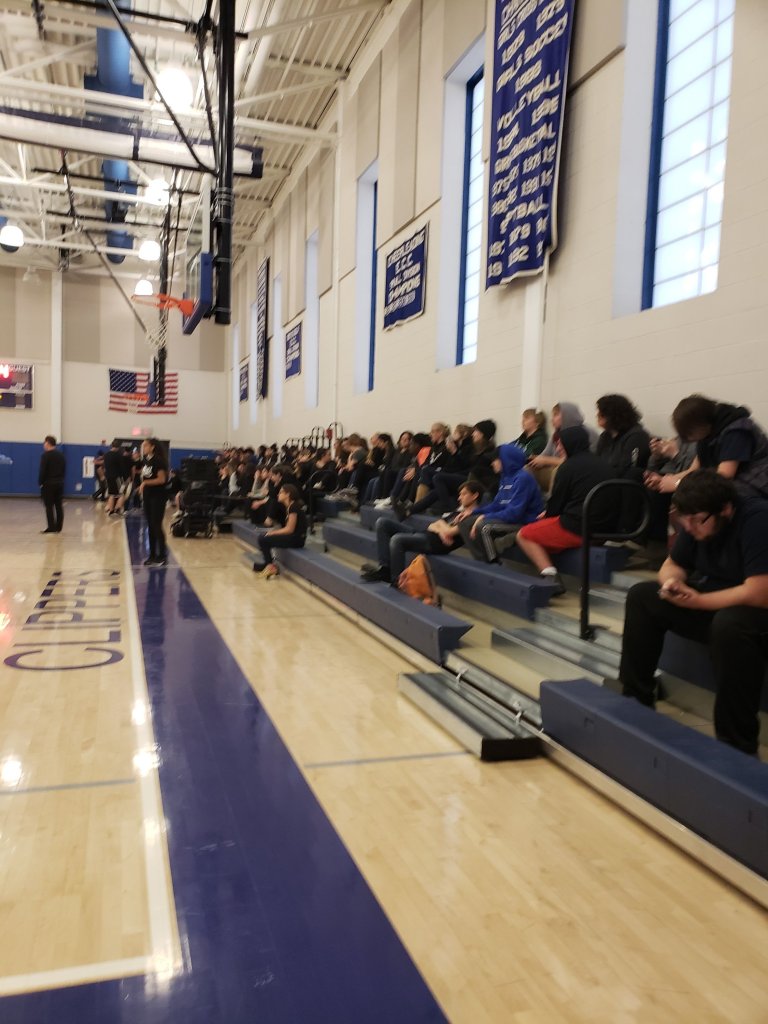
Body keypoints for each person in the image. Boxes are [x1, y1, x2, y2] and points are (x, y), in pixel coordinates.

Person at [618, 470, 768, 755]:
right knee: (643, 596)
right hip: (716, 601)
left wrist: (699, 601)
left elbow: (759, 593)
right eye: (683, 520)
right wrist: (672, 583)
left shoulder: (757, 519)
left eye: (697, 520)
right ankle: (636, 703)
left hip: (755, 610)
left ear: (725, 509)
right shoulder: (695, 520)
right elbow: (672, 565)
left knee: (730, 624)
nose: (690, 527)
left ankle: (737, 744)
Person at [516, 425, 617, 595]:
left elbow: (556, 504)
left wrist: (546, 516)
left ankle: (550, 577)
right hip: (606, 530)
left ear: (571, 443)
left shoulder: (567, 467)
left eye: (560, 444)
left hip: (578, 528)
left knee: (524, 535)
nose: (558, 449)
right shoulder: (604, 464)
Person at [361, 479, 483, 583]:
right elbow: (433, 525)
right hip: (424, 534)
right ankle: (385, 569)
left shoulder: (473, 518)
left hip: (433, 544)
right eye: (460, 494)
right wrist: (441, 529)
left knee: (397, 540)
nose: (459, 498)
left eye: (464, 494)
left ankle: (397, 580)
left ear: (475, 496)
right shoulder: (458, 512)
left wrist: (442, 528)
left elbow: (449, 532)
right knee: (382, 522)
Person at [653, 395, 768, 498]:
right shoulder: (707, 434)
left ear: (699, 425)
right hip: (737, 482)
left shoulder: (736, 431)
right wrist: (665, 480)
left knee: (700, 498)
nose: (688, 439)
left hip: (757, 484)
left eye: (689, 434)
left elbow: (724, 477)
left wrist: (677, 484)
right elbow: (694, 470)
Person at [456, 442, 544, 561]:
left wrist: (485, 516)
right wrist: (474, 512)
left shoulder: (523, 478)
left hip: (525, 521)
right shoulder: (505, 477)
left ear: (505, 460)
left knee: (484, 526)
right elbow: (497, 505)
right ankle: (481, 561)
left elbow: (514, 514)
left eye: (495, 460)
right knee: (464, 521)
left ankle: (492, 564)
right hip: (510, 518)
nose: (492, 463)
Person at [254, 483, 307, 579]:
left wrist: (272, 533)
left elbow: (290, 529)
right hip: (293, 537)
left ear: (288, 494)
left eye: (281, 492)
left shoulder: (293, 507)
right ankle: (268, 564)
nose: (278, 494)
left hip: (297, 539)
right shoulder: (290, 506)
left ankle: (270, 566)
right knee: (264, 537)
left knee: (263, 538)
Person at [139, 438, 169, 566]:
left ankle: (162, 556)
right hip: (148, 496)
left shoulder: (159, 461)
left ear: (152, 447)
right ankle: (152, 555)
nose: (143, 447)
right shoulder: (146, 460)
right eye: (143, 445)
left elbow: (161, 480)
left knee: (157, 525)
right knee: (150, 526)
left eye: (146, 445)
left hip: (158, 497)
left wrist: (145, 483)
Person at [39, 434, 65, 533]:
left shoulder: (45, 456)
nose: (44, 444)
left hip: (48, 484)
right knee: (59, 505)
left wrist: (40, 482)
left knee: (49, 506)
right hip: (59, 483)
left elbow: (43, 471)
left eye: (44, 442)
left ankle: (51, 527)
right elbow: (63, 469)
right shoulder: (61, 456)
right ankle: (59, 527)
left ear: (48, 443)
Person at [103, 439, 129, 517]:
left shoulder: (106, 455)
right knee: (122, 493)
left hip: (108, 476)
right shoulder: (119, 455)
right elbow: (122, 468)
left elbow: (105, 466)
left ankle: (111, 511)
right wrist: (125, 478)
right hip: (117, 477)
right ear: (118, 447)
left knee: (111, 494)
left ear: (111, 445)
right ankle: (117, 509)